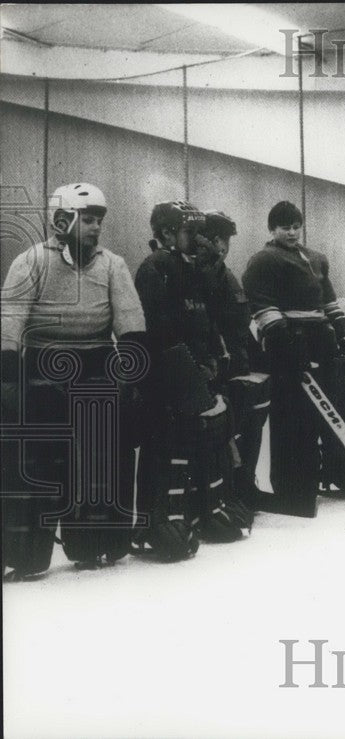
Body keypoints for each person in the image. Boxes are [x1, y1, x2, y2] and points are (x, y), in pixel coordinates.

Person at [1, 183, 146, 578]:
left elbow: (131, 323)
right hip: (42, 372)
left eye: (99, 220)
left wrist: (131, 381)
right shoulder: (30, 261)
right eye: (88, 219)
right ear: (62, 220)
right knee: (37, 466)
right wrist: (9, 382)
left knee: (101, 461)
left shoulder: (113, 264)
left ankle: (98, 547)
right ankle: (26, 557)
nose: (96, 227)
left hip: (98, 368)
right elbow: (10, 321)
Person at [242, 201, 345, 517]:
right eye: (284, 226)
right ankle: (293, 486)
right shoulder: (263, 260)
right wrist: (285, 342)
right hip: (288, 345)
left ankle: (337, 469)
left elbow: (329, 302)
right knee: (293, 418)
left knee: (332, 410)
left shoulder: (315, 259)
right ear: (271, 229)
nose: (291, 232)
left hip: (321, 342)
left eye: (295, 225)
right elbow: (262, 306)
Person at [134, 201, 247, 561]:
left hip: (198, 366)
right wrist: (184, 369)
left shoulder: (197, 268)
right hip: (167, 373)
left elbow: (209, 318)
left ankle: (202, 509)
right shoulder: (155, 269)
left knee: (209, 437)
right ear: (167, 233)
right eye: (189, 232)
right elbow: (157, 326)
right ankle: (159, 519)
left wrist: (213, 357)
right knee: (170, 446)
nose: (199, 240)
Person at [200, 210, 268, 518]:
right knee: (230, 430)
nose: (223, 245)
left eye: (225, 240)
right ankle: (230, 490)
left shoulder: (225, 273)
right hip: (221, 368)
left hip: (240, 363)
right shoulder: (205, 273)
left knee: (253, 418)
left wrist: (261, 359)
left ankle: (244, 485)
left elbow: (241, 325)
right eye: (219, 239)